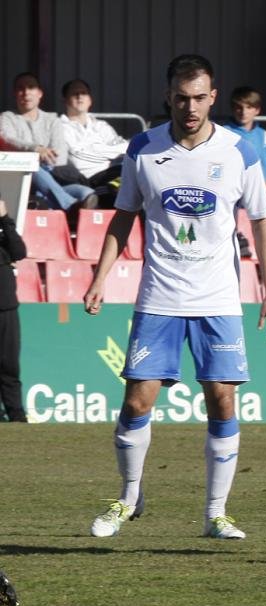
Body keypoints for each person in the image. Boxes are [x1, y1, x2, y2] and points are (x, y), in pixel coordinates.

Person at [82, 54, 266, 540]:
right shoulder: (143, 149)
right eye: (181, 97)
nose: (190, 107)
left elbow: (261, 222)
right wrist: (100, 277)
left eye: (199, 98)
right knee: (136, 401)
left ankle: (216, 513)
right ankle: (129, 497)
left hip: (218, 300)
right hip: (160, 297)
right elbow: (124, 215)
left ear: (213, 97)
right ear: (168, 96)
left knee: (222, 400)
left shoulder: (240, 152)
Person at [0, 72, 97, 213]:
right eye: (21, 88)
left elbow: (60, 154)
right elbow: (8, 140)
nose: (26, 92)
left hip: (52, 180)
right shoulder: (6, 118)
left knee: (86, 193)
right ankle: (69, 206)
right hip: (19, 179)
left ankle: (62, 206)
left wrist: (43, 160)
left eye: (31, 87)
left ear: (39, 93)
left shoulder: (52, 120)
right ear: (15, 93)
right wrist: (36, 149)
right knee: (31, 166)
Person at [58, 78, 128, 190]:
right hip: (82, 180)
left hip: (112, 175)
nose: (79, 96)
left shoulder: (102, 126)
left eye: (83, 93)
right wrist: (107, 151)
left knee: (134, 166)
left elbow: (125, 148)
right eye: (74, 93)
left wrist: (92, 149)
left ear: (90, 100)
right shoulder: (59, 127)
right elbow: (77, 159)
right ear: (65, 100)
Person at [0, 198, 27, 423]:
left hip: (7, 307)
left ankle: (17, 416)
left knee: (9, 365)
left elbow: (19, 251)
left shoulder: (3, 230)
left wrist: (5, 219)